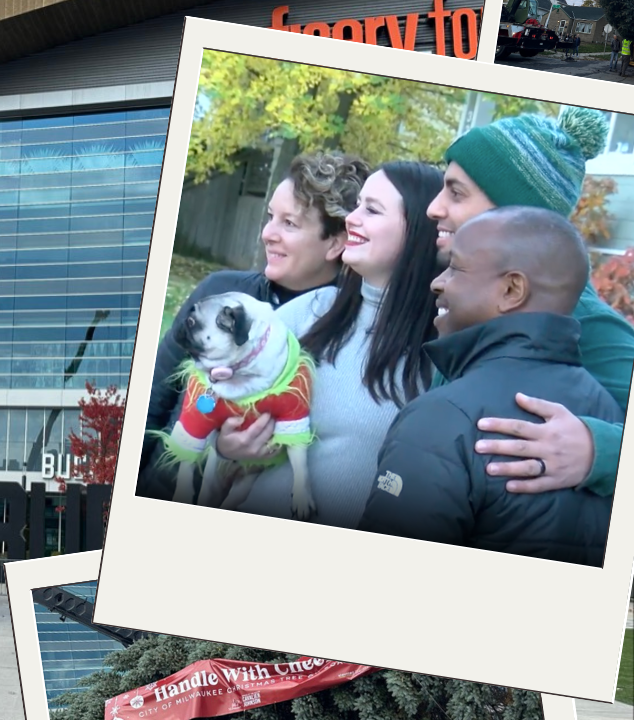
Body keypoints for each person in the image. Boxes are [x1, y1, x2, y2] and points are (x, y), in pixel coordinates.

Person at [358, 208, 618, 566]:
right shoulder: (608, 415)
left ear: (512, 289)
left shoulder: (443, 416)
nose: (438, 282)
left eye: (455, 267)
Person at [208, 162, 445, 528]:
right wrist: (225, 447)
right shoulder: (309, 313)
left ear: (418, 230)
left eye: (373, 209)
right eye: (358, 205)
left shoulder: (440, 351)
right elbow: (208, 410)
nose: (352, 218)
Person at [426, 106, 634, 501]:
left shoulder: (591, 326)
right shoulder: (466, 306)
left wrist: (598, 450)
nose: (434, 208)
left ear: (515, 215)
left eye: (456, 192)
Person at [137, 152, 371, 500]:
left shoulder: (350, 336)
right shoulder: (218, 292)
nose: (268, 233)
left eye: (289, 224)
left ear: (335, 242)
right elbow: (153, 400)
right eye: (270, 217)